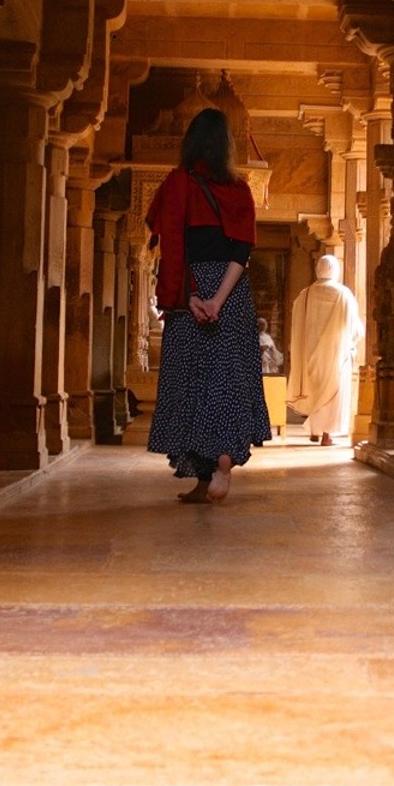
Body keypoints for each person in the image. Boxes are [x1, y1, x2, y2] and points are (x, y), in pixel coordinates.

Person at [145, 108, 271, 503]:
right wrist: (219, 298)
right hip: (230, 297)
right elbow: (241, 249)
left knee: (192, 385)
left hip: (189, 292)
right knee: (227, 383)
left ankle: (216, 468)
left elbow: (170, 245)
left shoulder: (176, 184)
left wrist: (196, 298)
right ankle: (211, 475)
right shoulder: (239, 190)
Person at [287, 254, 364, 445]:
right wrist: (352, 342)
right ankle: (326, 434)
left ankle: (314, 430)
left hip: (309, 354)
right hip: (335, 354)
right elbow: (355, 327)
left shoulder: (305, 295)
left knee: (314, 389)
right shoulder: (343, 294)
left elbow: (297, 324)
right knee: (331, 393)